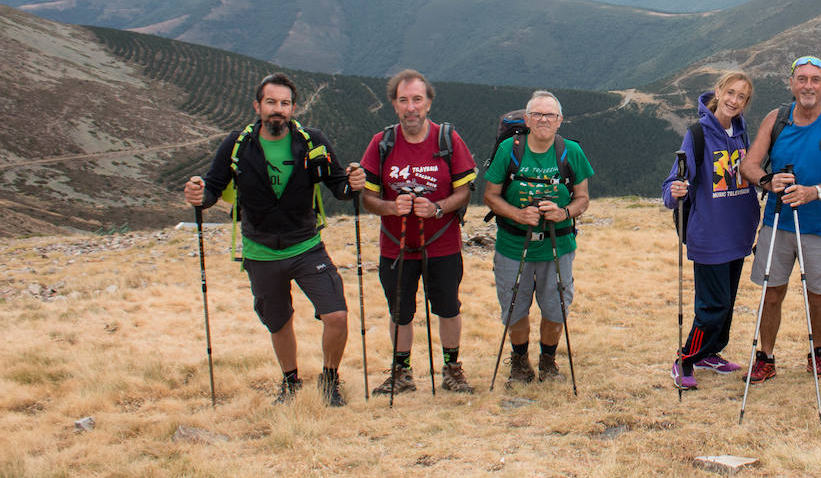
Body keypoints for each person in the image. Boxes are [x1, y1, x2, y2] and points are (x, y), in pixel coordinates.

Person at [184, 72, 364, 406]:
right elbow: (212, 187)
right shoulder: (238, 144)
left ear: (294, 108)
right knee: (278, 321)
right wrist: (198, 194)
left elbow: (338, 186)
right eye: (271, 102)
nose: (277, 109)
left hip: (307, 245)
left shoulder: (312, 141)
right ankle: (291, 381)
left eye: (283, 103)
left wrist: (353, 182)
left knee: (336, 315)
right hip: (260, 249)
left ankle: (329, 379)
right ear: (258, 106)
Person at [359, 70, 478, 395]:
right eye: (403, 100)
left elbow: (465, 191)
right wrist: (391, 207)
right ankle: (402, 372)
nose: (411, 107)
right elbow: (368, 197)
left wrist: (438, 208)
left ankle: (452, 370)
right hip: (395, 246)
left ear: (428, 102)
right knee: (400, 312)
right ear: (394, 105)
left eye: (417, 99)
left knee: (448, 307)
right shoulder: (381, 143)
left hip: (443, 245)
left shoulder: (447, 139)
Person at [740, 55, 821, 382]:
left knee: (817, 296)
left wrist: (813, 192)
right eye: (802, 79)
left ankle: (816, 352)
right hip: (778, 223)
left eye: (815, 79)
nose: (808, 86)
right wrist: (767, 181)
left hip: (820, 224)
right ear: (791, 83)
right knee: (771, 292)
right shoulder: (776, 119)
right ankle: (766, 357)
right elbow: (748, 165)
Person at [483, 90, 593, 385]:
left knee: (555, 308)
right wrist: (517, 214)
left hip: (558, 245)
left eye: (550, 115)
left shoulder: (571, 151)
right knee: (514, 308)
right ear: (527, 119)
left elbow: (582, 198)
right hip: (513, 244)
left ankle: (548, 361)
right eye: (538, 114)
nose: (544, 120)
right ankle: (520, 362)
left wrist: (564, 213)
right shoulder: (509, 149)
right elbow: (490, 195)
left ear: (560, 121)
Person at [661, 72, 761, 390]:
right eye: (729, 92)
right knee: (712, 305)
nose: (734, 100)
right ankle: (685, 359)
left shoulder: (743, 134)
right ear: (718, 92)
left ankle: (711, 352)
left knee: (727, 301)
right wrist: (672, 193)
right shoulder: (698, 134)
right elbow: (673, 182)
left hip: (738, 233)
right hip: (710, 234)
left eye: (741, 96)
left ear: (746, 102)